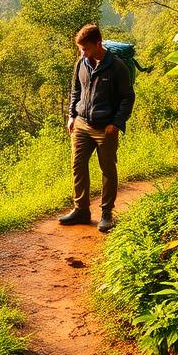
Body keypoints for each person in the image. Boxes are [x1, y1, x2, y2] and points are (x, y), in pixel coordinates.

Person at [58, 23, 135, 232]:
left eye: (86, 48)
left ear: (98, 43)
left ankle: (107, 213)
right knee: (78, 165)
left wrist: (116, 123)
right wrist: (71, 115)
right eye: (80, 49)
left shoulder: (116, 66)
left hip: (105, 128)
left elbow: (128, 98)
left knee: (108, 170)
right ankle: (81, 209)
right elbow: (75, 90)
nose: (82, 53)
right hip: (82, 123)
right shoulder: (81, 63)